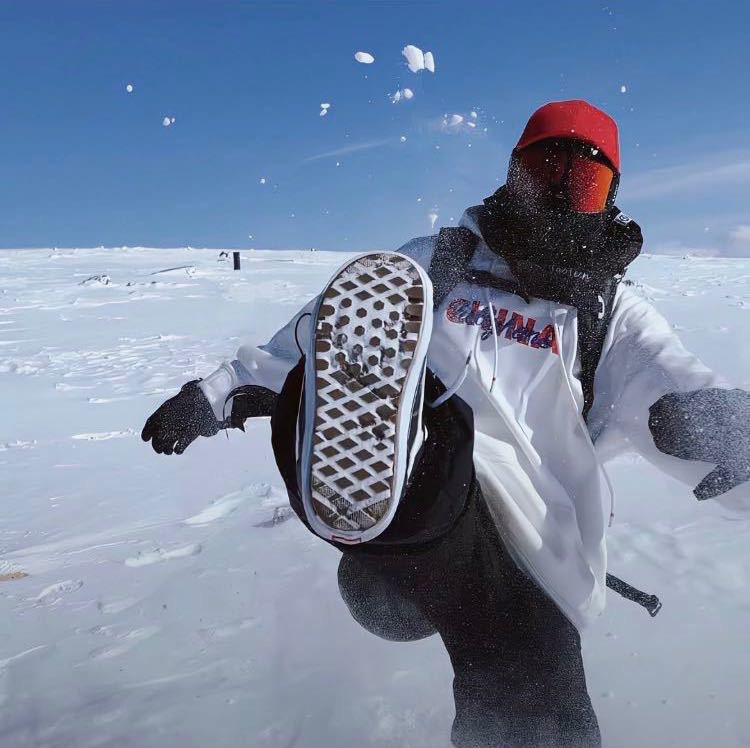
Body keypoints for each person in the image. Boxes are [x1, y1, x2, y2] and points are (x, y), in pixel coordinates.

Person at [142, 100, 750, 747]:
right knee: (402, 418)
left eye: (582, 184)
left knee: (536, 705)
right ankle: (385, 477)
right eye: (543, 173)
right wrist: (215, 395)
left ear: (609, 199)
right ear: (513, 174)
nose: (556, 196)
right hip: (412, 513)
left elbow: (671, 386)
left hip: (527, 543)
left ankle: (395, 511)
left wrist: (729, 431)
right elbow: (321, 335)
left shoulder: (613, 316)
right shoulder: (439, 265)